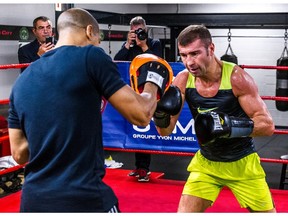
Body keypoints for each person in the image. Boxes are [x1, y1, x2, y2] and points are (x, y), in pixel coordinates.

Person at [8, 8, 170, 212]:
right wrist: (153, 80)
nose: (99, 43)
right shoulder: (91, 56)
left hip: (33, 201)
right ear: (90, 31)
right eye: (98, 38)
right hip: (83, 197)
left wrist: (54, 127)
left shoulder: (21, 82)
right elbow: (142, 115)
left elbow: (19, 154)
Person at [155, 24, 276, 212]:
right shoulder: (183, 79)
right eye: (184, 55)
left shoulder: (237, 79)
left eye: (195, 54)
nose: (189, 62)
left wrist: (228, 126)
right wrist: (159, 114)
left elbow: (268, 126)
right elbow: (165, 131)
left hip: (242, 165)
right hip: (207, 164)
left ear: (211, 49)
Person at [114, 16, 162, 182]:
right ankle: (138, 166)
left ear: (146, 29)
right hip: (132, 89)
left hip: (148, 90)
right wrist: (128, 44)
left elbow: (156, 62)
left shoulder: (154, 43)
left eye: (140, 30)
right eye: (134, 31)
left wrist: (143, 46)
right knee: (135, 128)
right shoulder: (129, 45)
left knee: (145, 127)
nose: (138, 34)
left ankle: (144, 168)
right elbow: (117, 61)